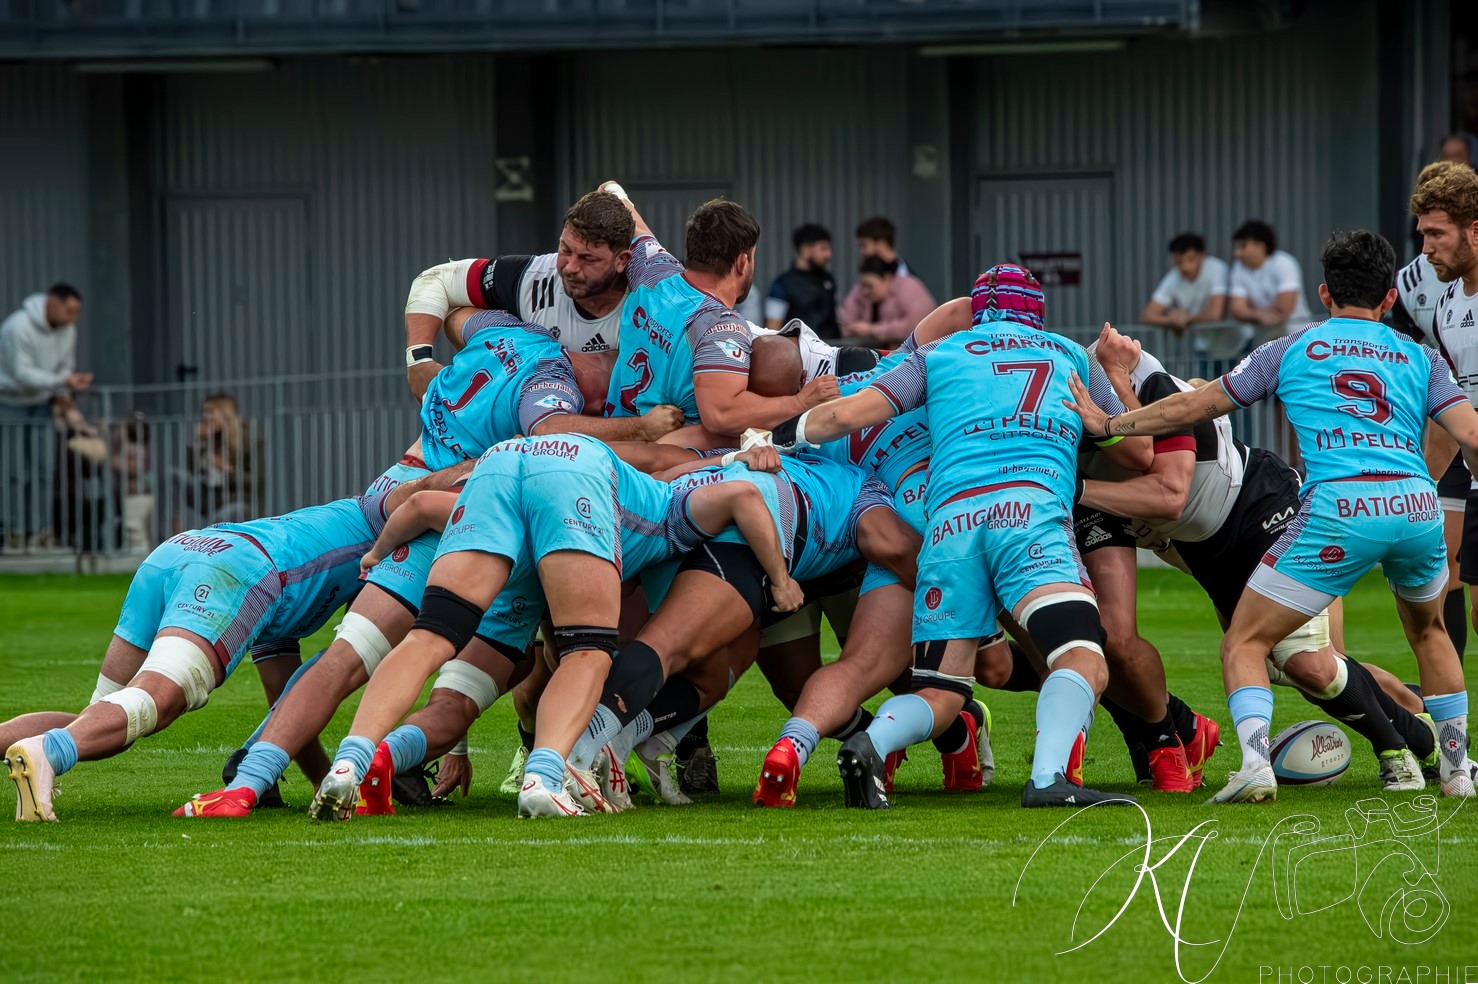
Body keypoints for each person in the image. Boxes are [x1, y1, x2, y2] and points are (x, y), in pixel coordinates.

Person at [1066, 228, 1478, 802]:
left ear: (1324, 293)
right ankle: (1458, 771)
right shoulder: (1423, 357)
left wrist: (1109, 425)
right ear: (1390, 298)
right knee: (1431, 633)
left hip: (1339, 511)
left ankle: (1257, 764)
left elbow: (1195, 403)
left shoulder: (1293, 348)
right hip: (1415, 507)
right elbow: (1470, 434)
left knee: (1245, 643)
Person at [770, 263, 1154, 809]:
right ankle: (1048, 779)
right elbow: (1140, 453)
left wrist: (774, 435)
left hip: (948, 530)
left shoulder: (936, 356)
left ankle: (871, 741)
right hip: (1030, 517)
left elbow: (847, 416)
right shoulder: (1071, 356)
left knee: (942, 692)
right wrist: (1107, 401)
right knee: (1082, 656)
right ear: (1038, 312)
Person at [1081, 332, 1438, 791]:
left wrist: (1112, 382)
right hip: (1210, 549)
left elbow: (1162, 483)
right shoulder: (1080, 433)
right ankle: (1418, 726)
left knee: (1307, 661)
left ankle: (1403, 750)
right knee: (1303, 666)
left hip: (1260, 505)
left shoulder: (1147, 388)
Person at [3, 474, 449, 822]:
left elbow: (289, 704)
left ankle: (33, 744)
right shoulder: (379, 513)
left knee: (101, 717)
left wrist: (321, 782)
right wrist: (488, 458)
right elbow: (422, 494)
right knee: (159, 699)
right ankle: (48, 754)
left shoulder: (311, 560)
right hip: (237, 569)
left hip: (180, 552)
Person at [600, 185, 837, 445]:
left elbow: (636, 225)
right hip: (662, 466)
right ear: (742, 262)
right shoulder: (721, 326)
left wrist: (614, 191)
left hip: (615, 438)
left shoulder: (654, 272)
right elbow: (721, 414)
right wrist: (800, 401)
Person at [402, 190, 635, 400]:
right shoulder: (534, 277)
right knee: (460, 317)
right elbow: (436, 280)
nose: (570, 267)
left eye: (588, 259)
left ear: (621, 261)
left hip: (616, 430)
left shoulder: (648, 302)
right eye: (565, 250)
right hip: (534, 423)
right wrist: (419, 360)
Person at [1413, 161, 1478, 664]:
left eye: (1437, 234)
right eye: (1422, 234)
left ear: (1474, 231)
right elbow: (1450, 414)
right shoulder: (1447, 305)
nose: (1425, 248)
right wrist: (1422, 484)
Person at [0, 284, 89, 545]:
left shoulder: (67, 329)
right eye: (69, 311)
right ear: (52, 303)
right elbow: (21, 373)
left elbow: (65, 366)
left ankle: (40, 530)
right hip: (9, 402)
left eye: (76, 312)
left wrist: (64, 386)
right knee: (14, 471)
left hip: (42, 402)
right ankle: (15, 531)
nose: (73, 319)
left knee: (44, 469)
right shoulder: (18, 327)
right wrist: (64, 380)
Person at [173, 394, 263, 531]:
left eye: (210, 412)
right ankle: (166, 537)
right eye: (204, 412)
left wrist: (226, 470)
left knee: (220, 518)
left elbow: (256, 480)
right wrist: (198, 441)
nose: (206, 417)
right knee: (173, 476)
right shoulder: (210, 437)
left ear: (225, 414)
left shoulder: (249, 439)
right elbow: (193, 470)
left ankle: (209, 544)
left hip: (236, 500)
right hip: (208, 496)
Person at [1140, 233, 1235, 363]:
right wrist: (1172, 319)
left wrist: (1186, 319)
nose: (1185, 266)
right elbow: (1148, 315)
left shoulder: (1216, 268)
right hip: (1206, 347)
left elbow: (1215, 313)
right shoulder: (1173, 278)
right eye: (1179, 261)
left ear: (1202, 256)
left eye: (1190, 259)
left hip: (1237, 345)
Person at [1228, 221, 1312, 348]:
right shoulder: (1238, 269)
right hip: (1264, 343)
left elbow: (1283, 309)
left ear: (1260, 246)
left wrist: (1251, 312)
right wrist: (1259, 315)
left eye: (1243, 246)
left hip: (1298, 339)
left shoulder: (1284, 263)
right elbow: (1237, 310)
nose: (1237, 254)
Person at [837, 257, 937, 347]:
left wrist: (872, 330)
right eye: (863, 286)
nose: (865, 291)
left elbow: (912, 326)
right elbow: (845, 319)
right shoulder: (859, 290)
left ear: (887, 279)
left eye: (870, 286)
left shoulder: (909, 288)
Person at [764, 224, 837, 339]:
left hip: (831, 352)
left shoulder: (828, 279)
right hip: (798, 354)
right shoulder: (782, 284)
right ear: (806, 249)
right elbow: (773, 327)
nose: (828, 254)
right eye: (823, 249)